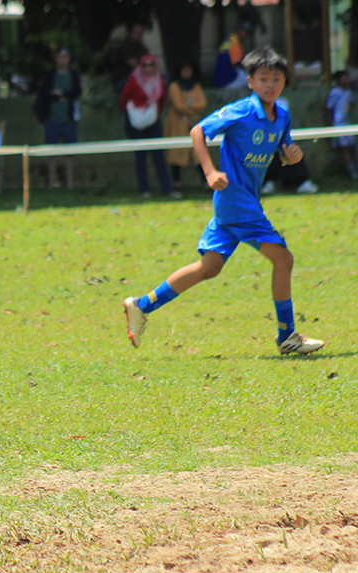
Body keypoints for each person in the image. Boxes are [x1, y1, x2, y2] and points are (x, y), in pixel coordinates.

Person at [124, 47, 325, 356]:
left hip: (243, 202)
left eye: (276, 79)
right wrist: (209, 171)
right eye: (263, 79)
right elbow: (198, 131)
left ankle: (141, 305)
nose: (269, 85)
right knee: (283, 259)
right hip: (235, 201)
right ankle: (287, 336)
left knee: (209, 267)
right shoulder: (241, 111)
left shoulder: (281, 116)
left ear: (285, 80)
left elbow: (284, 152)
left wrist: (291, 156)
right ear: (250, 82)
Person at [119, 53, 174, 198]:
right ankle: (144, 190)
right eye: (145, 65)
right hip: (135, 123)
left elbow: (161, 102)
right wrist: (134, 116)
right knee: (141, 156)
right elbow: (124, 99)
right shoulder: (133, 79)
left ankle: (167, 189)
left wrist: (154, 116)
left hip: (153, 122)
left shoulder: (160, 81)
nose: (148, 68)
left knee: (158, 155)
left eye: (151, 65)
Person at [34, 47, 82, 188]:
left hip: (69, 119)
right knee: (51, 153)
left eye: (65, 56)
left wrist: (60, 93)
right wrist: (60, 95)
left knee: (69, 153)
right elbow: (45, 94)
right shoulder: (49, 75)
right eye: (60, 56)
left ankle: (70, 184)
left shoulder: (73, 75)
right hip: (52, 119)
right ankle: (51, 184)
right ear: (55, 58)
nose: (62, 59)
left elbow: (76, 92)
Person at [163, 62, 207, 195]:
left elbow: (202, 103)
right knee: (176, 154)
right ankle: (177, 184)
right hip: (178, 126)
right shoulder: (175, 86)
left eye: (189, 70)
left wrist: (188, 108)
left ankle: (207, 183)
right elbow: (178, 105)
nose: (187, 73)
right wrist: (193, 109)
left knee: (200, 154)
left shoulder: (195, 86)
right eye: (184, 70)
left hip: (194, 125)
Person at [326, 70, 357, 180]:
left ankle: (355, 169)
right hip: (338, 124)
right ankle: (352, 173)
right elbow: (330, 108)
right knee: (346, 149)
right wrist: (331, 125)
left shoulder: (348, 92)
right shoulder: (335, 92)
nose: (347, 80)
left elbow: (351, 102)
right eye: (345, 78)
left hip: (346, 123)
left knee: (352, 147)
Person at [110, 21, 149, 92]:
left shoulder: (142, 47)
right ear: (131, 33)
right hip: (122, 80)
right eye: (135, 33)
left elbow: (149, 61)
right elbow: (134, 65)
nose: (138, 36)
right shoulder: (125, 46)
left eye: (140, 34)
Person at [212, 22, 253, 89]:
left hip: (222, 80)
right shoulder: (233, 41)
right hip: (228, 80)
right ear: (239, 31)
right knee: (251, 79)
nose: (246, 36)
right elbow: (238, 63)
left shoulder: (231, 39)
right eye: (245, 32)